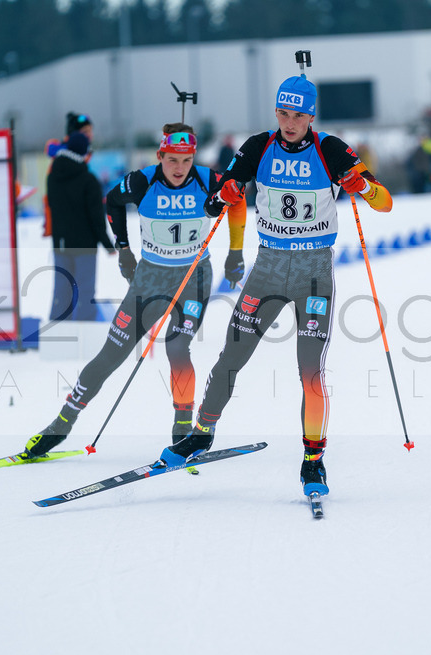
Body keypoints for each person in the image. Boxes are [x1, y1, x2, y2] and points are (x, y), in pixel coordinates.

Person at [158, 73, 393, 499]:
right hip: (267, 269)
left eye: (298, 114)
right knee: (231, 355)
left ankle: (313, 461)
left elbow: (385, 202)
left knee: (309, 370)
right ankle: (201, 434)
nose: (289, 122)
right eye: (283, 113)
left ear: (311, 115)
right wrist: (227, 193)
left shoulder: (331, 149)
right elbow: (214, 205)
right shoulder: (256, 147)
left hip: (313, 273)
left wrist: (365, 187)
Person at [24, 123, 247, 456]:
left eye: (185, 161)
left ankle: (182, 432)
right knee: (111, 354)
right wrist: (124, 249)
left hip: (193, 280)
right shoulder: (143, 181)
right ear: (160, 156)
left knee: (177, 347)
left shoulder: (208, 179)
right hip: (150, 279)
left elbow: (238, 199)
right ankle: (62, 423)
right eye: (172, 160)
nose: (179, 168)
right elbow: (111, 201)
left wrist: (235, 251)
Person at [46, 131, 115, 322]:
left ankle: (58, 333)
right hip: (85, 245)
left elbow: (53, 208)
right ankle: (85, 333)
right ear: (84, 152)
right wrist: (108, 245)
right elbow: (96, 218)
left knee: (62, 290)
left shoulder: (53, 178)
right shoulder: (89, 181)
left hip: (61, 243)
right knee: (85, 291)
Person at [43, 112, 93, 237]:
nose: (90, 135)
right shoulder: (62, 150)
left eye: (90, 131)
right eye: (85, 131)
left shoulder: (85, 152)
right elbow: (50, 148)